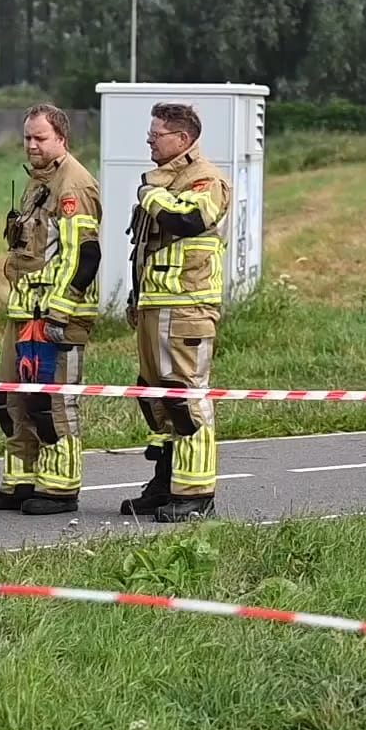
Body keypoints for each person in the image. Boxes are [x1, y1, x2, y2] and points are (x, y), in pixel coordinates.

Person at [0, 103, 102, 515]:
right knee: (10, 398)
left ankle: (60, 488)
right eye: (28, 138)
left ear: (62, 139)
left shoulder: (74, 185)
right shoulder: (38, 184)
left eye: (40, 138)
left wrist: (60, 313)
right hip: (24, 310)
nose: (31, 145)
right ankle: (21, 481)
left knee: (51, 403)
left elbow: (83, 255)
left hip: (53, 316)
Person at [121, 102, 233, 523]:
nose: (150, 140)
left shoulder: (206, 180)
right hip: (155, 304)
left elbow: (188, 221)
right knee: (155, 397)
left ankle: (196, 493)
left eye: (157, 134)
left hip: (188, 306)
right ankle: (165, 483)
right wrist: (136, 298)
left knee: (186, 397)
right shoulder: (165, 180)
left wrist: (152, 196)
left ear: (183, 139)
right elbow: (145, 251)